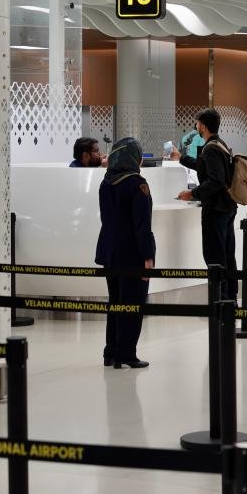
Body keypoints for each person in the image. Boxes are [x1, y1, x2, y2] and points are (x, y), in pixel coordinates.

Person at [95, 137, 154, 369]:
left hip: (109, 251)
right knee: (132, 304)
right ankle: (126, 354)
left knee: (116, 302)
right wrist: (148, 256)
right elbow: (142, 225)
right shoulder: (137, 184)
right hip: (132, 254)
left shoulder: (106, 183)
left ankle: (111, 352)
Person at [169, 108, 237, 301]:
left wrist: (192, 193)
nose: (196, 126)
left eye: (197, 123)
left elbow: (215, 180)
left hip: (216, 210)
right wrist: (180, 158)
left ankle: (220, 301)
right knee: (227, 254)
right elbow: (204, 166)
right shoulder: (219, 145)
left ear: (204, 126)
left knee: (215, 257)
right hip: (227, 207)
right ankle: (230, 299)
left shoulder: (211, 148)